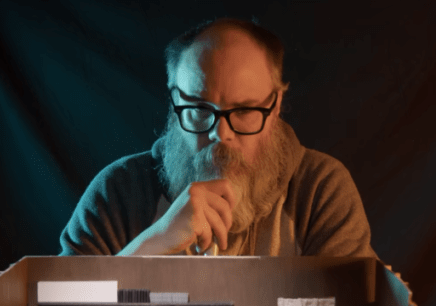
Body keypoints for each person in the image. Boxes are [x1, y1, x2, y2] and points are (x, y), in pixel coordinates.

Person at [59, 18, 376, 258]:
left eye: (244, 110)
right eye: (199, 109)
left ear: (276, 105)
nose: (221, 134)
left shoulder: (320, 191)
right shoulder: (117, 193)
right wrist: (153, 243)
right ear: (174, 100)